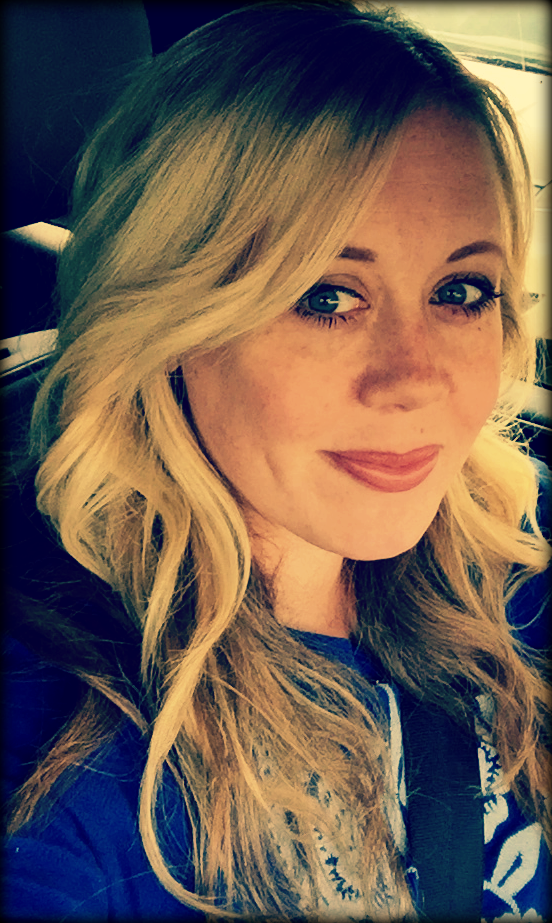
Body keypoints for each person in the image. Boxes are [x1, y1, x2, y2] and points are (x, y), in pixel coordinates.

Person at [2, 2, 550, 920]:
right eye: (326, 296)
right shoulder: (67, 752)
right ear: (175, 323)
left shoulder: (511, 544)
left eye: (461, 290)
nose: (415, 381)